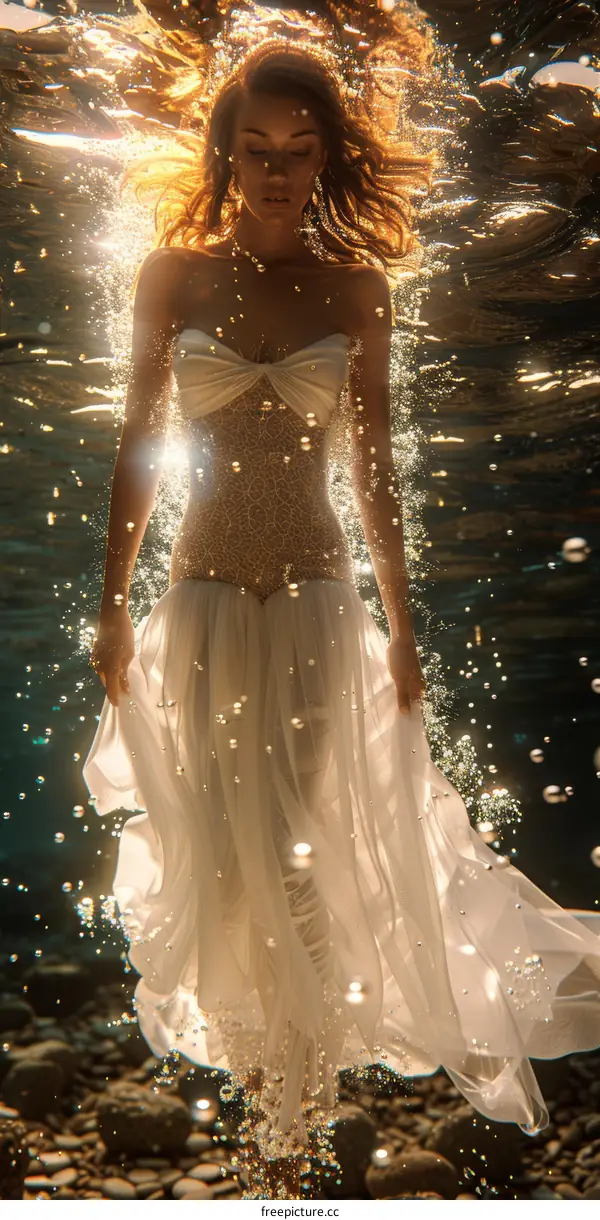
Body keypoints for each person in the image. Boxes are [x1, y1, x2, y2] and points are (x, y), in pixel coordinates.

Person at [83, 31, 600, 1168]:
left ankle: (294, 1145)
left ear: (325, 160)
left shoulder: (359, 289)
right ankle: (273, 1113)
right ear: (224, 150)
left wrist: (405, 629)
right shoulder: (173, 276)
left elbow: (373, 474)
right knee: (226, 859)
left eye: (299, 150)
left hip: (318, 606)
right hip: (204, 604)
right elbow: (137, 441)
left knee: (308, 855)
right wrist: (113, 604)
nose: (276, 170)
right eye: (256, 147)